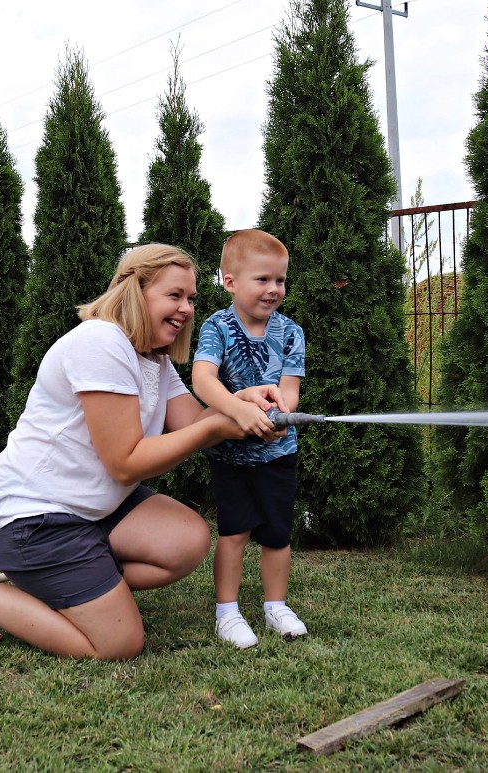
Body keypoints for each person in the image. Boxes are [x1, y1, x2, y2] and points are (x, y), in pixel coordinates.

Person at [0, 244, 283, 660]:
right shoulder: (101, 343)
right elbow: (125, 463)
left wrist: (241, 405)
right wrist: (220, 425)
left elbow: (193, 421)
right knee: (118, 644)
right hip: (32, 520)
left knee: (186, 540)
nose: (186, 309)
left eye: (191, 299)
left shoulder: (153, 358)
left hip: (89, 511)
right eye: (174, 295)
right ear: (135, 290)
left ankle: (66, 585)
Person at [191, 229, 307, 649]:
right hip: (231, 457)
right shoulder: (217, 327)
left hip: (279, 453)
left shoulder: (292, 332)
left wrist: (279, 411)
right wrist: (239, 409)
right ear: (230, 282)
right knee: (235, 531)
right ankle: (228, 612)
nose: (274, 289)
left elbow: (289, 390)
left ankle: (276, 605)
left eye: (280, 280)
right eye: (262, 279)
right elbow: (202, 379)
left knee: (278, 533)